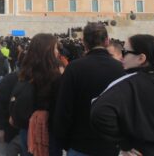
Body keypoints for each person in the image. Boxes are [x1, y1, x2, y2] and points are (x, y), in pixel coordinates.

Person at [91, 34, 154, 155]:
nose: (121, 58)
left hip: (143, 150)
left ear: (141, 58)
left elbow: (98, 112)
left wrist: (123, 142)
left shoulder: (127, 83)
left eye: (125, 52)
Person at [53, 22, 126, 156]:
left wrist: (63, 141)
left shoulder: (74, 68)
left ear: (84, 42)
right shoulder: (121, 69)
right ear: (107, 41)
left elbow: (64, 109)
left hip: (79, 144)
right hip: (110, 145)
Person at [10, 34, 62, 156]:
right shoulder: (54, 74)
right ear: (46, 51)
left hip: (26, 128)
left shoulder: (26, 71)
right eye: (55, 48)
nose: (57, 52)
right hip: (46, 129)